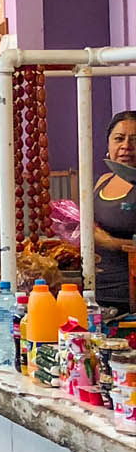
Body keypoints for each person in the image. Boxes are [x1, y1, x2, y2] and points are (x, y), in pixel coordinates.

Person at [94, 112, 136, 309]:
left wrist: (113, 243)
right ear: (109, 144)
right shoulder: (103, 181)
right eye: (119, 139)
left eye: (134, 139)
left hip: (129, 297)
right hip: (95, 291)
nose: (126, 146)